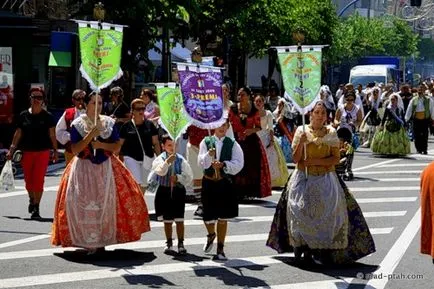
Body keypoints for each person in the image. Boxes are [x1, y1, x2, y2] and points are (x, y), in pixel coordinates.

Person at [266, 100, 375, 265]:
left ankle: (320, 248)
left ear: (326, 116)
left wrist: (314, 161)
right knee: (299, 211)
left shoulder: (331, 133)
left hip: (325, 178)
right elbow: (296, 159)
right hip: (303, 178)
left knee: (328, 213)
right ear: (311, 114)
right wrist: (302, 143)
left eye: (323, 113)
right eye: (316, 112)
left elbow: (335, 159)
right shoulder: (301, 131)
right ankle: (301, 246)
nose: (319, 116)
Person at [51, 92, 150, 254]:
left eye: (100, 102)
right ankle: (88, 239)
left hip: (106, 168)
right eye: (93, 102)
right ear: (86, 104)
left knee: (107, 202)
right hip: (83, 168)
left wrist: (101, 145)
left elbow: (117, 147)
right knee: (83, 203)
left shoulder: (108, 122)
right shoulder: (78, 124)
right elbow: (75, 149)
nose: (97, 106)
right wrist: (91, 135)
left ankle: (103, 238)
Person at [6, 87, 58, 219]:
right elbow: (18, 134)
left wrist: (55, 150)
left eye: (39, 98)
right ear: (30, 98)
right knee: (28, 181)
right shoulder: (23, 115)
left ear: (43, 100)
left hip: (42, 152)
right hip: (26, 152)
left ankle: (36, 207)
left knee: (38, 180)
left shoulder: (48, 117)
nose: (36, 100)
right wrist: (12, 149)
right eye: (34, 97)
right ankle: (31, 199)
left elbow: (52, 135)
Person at [198, 120, 244, 260]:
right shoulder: (205, 142)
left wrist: (224, 164)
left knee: (223, 217)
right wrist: (208, 156)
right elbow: (201, 163)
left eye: (225, 125)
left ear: (228, 127)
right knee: (207, 216)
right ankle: (211, 234)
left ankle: (220, 248)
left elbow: (239, 163)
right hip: (209, 182)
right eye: (219, 125)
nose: (222, 128)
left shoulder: (232, 144)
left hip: (224, 183)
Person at [152, 134, 193, 255]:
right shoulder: (159, 158)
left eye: (173, 145)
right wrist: (166, 163)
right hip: (164, 191)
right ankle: (169, 242)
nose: (172, 147)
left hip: (178, 191)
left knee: (179, 219)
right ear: (163, 146)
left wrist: (178, 178)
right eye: (169, 145)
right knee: (167, 220)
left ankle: (181, 243)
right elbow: (159, 171)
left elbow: (189, 176)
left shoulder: (181, 159)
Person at [229, 87, 271, 199]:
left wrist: (250, 131)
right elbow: (228, 123)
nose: (240, 97)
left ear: (248, 96)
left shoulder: (253, 110)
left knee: (251, 167)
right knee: (236, 164)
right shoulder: (233, 109)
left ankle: (249, 193)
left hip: (251, 142)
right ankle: (236, 192)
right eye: (238, 95)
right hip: (236, 140)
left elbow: (258, 127)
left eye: (242, 95)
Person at [119, 99, 161, 192]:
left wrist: (160, 158)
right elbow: (120, 144)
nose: (141, 111)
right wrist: (117, 159)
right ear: (132, 111)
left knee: (145, 184)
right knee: (137, 181)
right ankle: (137, 203)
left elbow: (156, 143)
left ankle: (140, 203)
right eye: (138, 109)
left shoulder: (150, 125)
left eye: (143, 108)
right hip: (131, 157)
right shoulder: (126, 126)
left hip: (147, 157)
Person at [254, 94, 289, 187]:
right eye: (256, 101)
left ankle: (271, 181)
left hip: (266, 137)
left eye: (260, 101)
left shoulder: (268, 113)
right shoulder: (252, 113)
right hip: (255, 137)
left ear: (263, 102)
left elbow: (270, 128)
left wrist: (271, 140)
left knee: (271, 161)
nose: (258, 103)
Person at [334, 91, 363, 181]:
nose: (350, 101)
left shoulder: (357, 109)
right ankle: (339, 166)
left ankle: (348, 168)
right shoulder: (341, 108)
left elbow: (360, 120)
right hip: (341, 131)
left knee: (349, 150)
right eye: (348, 99)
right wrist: (338, 123)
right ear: (345, 99)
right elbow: (335, 119)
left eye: (352, 99)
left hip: (350, 132)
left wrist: (354, 124)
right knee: (340, 149)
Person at [55, 89, 86, 165]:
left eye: (83, 99)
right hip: (71, 151)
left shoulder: (91, 112)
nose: (81, 101)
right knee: (70, 175)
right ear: (73, 100)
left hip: (88, 153)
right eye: (78, 99)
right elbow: (59, 131)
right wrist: (71, 137)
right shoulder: (68, 112)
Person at [405, 84, 434, 155]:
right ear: (417, 90)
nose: (420, 90)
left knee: (425, 134)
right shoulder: (413, 99)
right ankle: (418, 149)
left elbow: (432, 109)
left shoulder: (428, 99)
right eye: (419, 89)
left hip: (425, 119)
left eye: (422, 89)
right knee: (417, 135)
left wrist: (433, 118)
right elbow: (409, 109)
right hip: (416, 119)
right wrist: (407, 118)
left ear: (424, 90)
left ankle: (424, 149)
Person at [274, 98, 296, 163]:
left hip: (287, 139)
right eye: (278, 105)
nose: (279, 106)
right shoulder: (276, 114)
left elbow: (292, 126)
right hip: (279, 138)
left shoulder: (288, 115)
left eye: (281, 105)